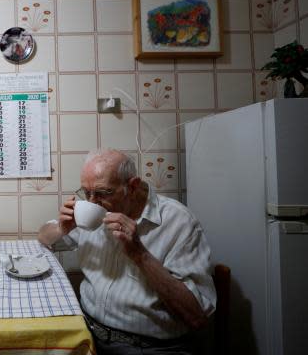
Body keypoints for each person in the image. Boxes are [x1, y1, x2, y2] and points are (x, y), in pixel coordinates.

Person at [38, 149, 216, 354]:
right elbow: (43, 237)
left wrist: (139, 254)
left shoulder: (179, 222)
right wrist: (62, 228)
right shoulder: (93, 212)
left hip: (147, 346)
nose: (92, 201)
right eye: (86, 192)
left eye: (103, 193)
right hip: (89, 334)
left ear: (132, 186)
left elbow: (196, 317)